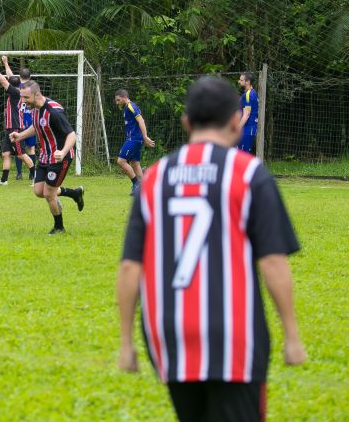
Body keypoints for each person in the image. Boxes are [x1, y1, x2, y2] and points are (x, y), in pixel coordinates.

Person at [117, 76, 307, 422]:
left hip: (170, 333)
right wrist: (292, 336)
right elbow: (273, 262)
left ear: (186, 122)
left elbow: (131, 266)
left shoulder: (155, 178)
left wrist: (126, 341)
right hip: (233, 334)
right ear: (235, 121)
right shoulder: (249, 174)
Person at [9, 81, 84, 234]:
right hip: (45, 156)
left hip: (59, 158)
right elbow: (37, 126)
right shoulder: (35, 108)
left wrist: (62, 152)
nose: (23, 101)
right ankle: (74, 193)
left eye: (26, 97)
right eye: (22, 97)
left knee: (49, 194)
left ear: (37, 95)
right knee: (38, 191)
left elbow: (72, 135)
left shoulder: (54, 112)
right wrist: (20, 136)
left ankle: (59, 227)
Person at [0, 59, 33, 185]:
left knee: (21, 155)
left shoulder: (15, 93)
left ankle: (36, 178)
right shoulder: (19, 89)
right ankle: (4, 180)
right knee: (6, 154)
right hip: (10, 127)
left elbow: (3, 80)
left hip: (15, 128)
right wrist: (6, 63)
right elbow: (10, 77)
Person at [114, 89, 155, 196]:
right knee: (135, 164)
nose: (117, 102)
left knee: (121, 161)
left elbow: (141, 121)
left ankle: (136, 184)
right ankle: (144, 188)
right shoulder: (128, 107)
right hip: (135, 138)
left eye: (118, 100)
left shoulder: (131, 106)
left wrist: (145, 137)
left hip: (134, 139)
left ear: (124, 97)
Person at [7, 57, 37, 181]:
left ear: (19, 77)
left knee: (18, 147)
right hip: (30, 120)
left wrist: (6, 63)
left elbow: (9, 77)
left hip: (18, 119)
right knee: (31, 148)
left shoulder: (18, 87)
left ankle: (19, 174)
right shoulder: (33, 88)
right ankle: (32, 174)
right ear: (30, 77)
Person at [238, 72, 259, 154]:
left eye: (241, 80)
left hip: (247, 128)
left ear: (248, 82)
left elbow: (246, 114)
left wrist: (237, 128)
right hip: (248, 128)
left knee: (242, 154)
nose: (239, 81)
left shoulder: (248, 95)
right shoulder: (251, 93)